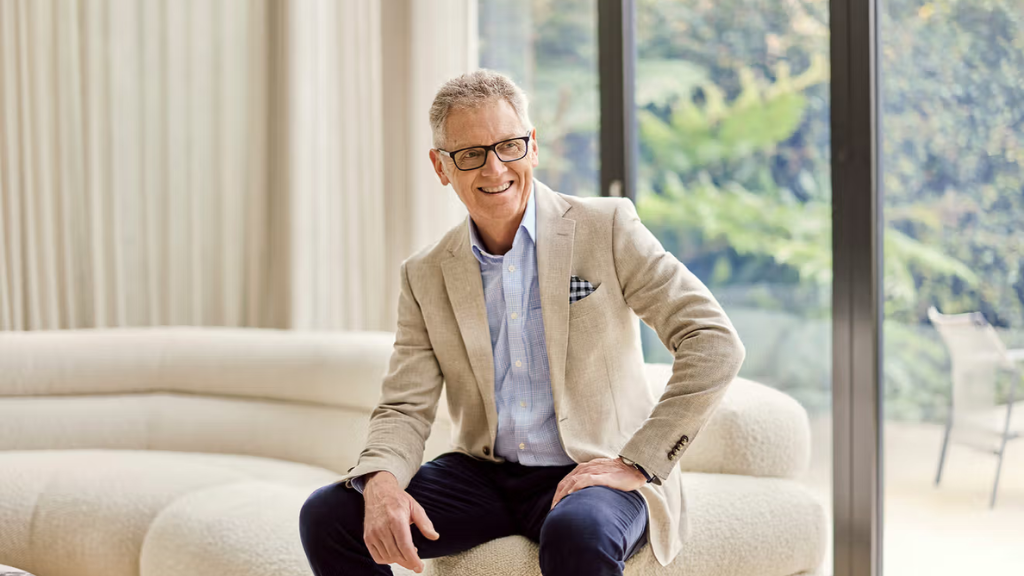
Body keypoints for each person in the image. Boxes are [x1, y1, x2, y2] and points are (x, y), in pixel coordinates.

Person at [298, 69, 745, 576]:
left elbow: (712, 341)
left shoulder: (608, 227)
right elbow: (405, 405)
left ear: (532, 146)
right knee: (329, 514)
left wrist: (637, 461)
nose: (494, 169)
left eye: (508, 146)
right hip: (483, 476)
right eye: (470, 154)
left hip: (591, 466)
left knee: (578, 534)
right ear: (441, 167)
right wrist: (379, 481)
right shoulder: (425, 274)